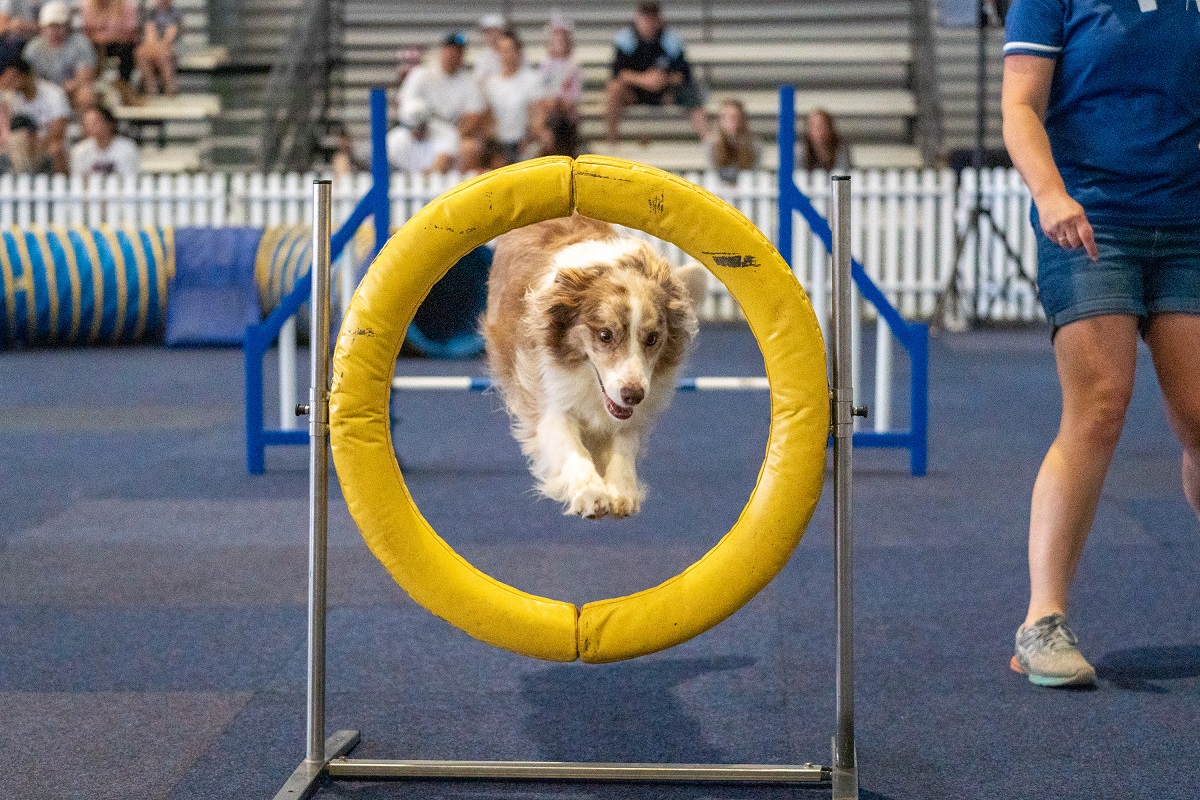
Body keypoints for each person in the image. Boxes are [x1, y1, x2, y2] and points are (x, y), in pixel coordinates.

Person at [1001, 0, 1200, 688]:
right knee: (1101, 405)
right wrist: (1050, 194)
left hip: (1189, 221)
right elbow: (1021, 106)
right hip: (1089, 219)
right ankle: (1042, 622)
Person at [604, 1, 708, 146]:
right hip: (635, 92)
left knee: (692, 94)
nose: (648, 23)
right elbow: (618, 73)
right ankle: (612, 143)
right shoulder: (626, 39)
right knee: (614, 88)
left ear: (659, 20)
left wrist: (663, 79)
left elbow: (683, 75)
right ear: (638, 19)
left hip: (664, 92)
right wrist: (644, 79)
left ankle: (708, 143)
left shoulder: (670, 40)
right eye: (645, 18)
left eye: (652, 19)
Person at [396, 31, 487, 161]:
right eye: (451, 51)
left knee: (469, 148)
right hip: (417, 130)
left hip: (449, 132)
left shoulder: (469, 81)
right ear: (443, 51)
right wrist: (418, 129)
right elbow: (405, 105)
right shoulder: (421, 74)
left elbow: (474, 115)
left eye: (458, 52)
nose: (454, 55)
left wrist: (454, 136)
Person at [480, 29, 547, 164]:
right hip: (499, 144)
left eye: (509, 50)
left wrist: (528, 139)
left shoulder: (532, 80)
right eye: (502, 51)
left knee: (543, 141)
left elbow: (538, 116)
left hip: (524, 141)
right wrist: (496, 147)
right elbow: (488, 121)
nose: (506, 55)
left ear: (518, 52)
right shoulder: (490, 84)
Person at [21, 1, 98, 110]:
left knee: (86, 94)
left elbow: (85, 77)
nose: (54, 30)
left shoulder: (81, 43)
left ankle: (84, 125)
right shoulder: (33, 47)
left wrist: (66, 88)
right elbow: (27, 76)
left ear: (67, 25)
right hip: (43, 92)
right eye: (50, 26)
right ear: (42, 27)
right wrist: (49, 91)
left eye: (59, 25)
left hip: (70, 90)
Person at [0, 54, 68, 172]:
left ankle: (60, 186)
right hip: (22, 146)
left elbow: (59, 130)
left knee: (55, 148)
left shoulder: (53, 94)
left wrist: (37, 143)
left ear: (27, 76)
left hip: (45, 144)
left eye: (14, 78)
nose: (11, 83)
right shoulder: (12, 98)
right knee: (16, 142)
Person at [80, 0, 142, 106]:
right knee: (88, 48)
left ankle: (124, 84)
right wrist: (104, 37)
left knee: (127, 50)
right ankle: (92, 84)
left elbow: (130, 33)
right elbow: (87, 32)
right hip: (97, 44)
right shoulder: (88, 6)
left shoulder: (125, 5)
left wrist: (106, 37)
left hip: (120, 44)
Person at [537, 12, 581, 157]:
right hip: (549, 117)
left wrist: (558, 103)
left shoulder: (573, 66)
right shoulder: (544, 65)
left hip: (566, 120)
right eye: (555, 36)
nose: (559, 40)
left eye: (562, 37)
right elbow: (541, 95)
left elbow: (572, 100)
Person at [385, 97, 455, 174]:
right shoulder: (393, 140)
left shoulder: (445, 132)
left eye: (422, 127)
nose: (419, 131)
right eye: (415, 128)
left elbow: (443, 161)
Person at [69, 103, 137, 176]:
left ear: (109, 123)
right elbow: (78, 180)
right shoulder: (79, 151)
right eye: (87, 124)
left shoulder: (127, 149)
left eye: (95, 122)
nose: (91, 127)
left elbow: (129, 179)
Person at [705, 98, 759, 183]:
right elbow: (712, 173)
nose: (729, 121)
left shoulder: (754, 144)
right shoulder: (711, 143)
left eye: (734, 117)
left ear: (742, 119)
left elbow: (753, 173)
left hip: (746, 190)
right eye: (725, 117)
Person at [134, 0, 181, 97]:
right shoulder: (150, 12)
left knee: (164, 55)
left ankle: (169, 87)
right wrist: (155, 48)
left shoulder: (175, 13)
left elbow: (171, 35)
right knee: (140, 53)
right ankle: (151, 86)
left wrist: (161, 47)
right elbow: (149, 33)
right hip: (152, 46)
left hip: (169, 46)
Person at [472, 12, 507, 89]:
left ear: (501, 31)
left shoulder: (516, 53)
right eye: (486, 32)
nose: (489, 36)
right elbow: (478, 83)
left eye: (492, 31)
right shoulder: (482, 57)